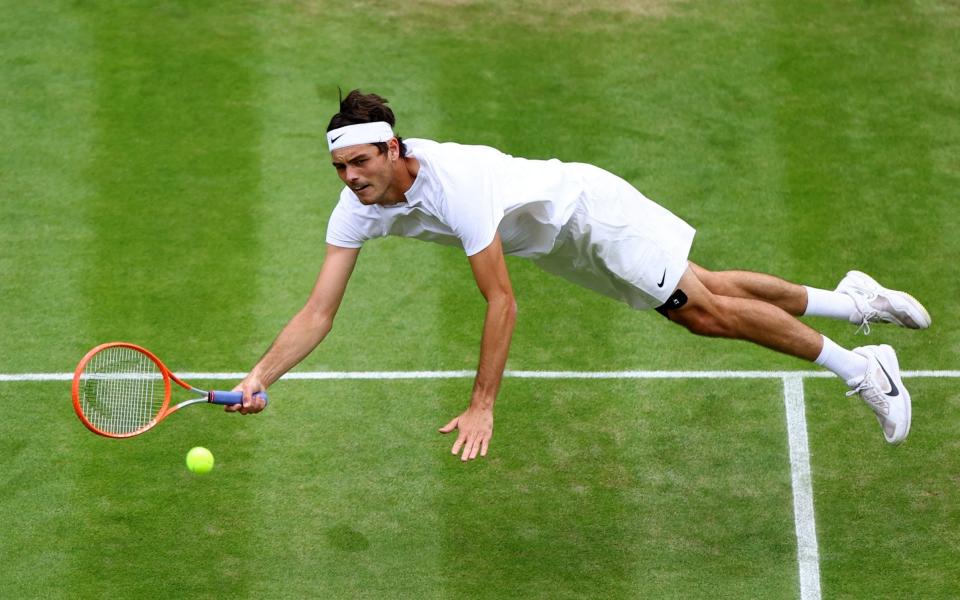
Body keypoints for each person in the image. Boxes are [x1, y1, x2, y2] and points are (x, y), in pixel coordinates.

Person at [229, 90, 931, 461]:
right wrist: (261, 375)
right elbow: (319, 311)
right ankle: (855, 301)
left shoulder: (457, 186)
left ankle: (863, 368)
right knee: (704, 284)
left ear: (392, 147)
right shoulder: (356, 209)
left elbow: (500, 302)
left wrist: (483, 402)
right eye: (341, 171)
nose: (351, 181)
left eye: (360, 165)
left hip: (590, 213)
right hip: (556, 244)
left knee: (700, 310)